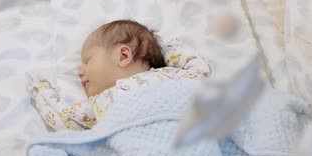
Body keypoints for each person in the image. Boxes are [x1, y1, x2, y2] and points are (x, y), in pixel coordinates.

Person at [26, 19, 212, 131]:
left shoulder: (171, 77)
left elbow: (201, 73)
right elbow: (61, 119)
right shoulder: (100, 103)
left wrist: (170, 48)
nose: (79, 72)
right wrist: (40, 87)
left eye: (87, 60)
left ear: (123, 55)